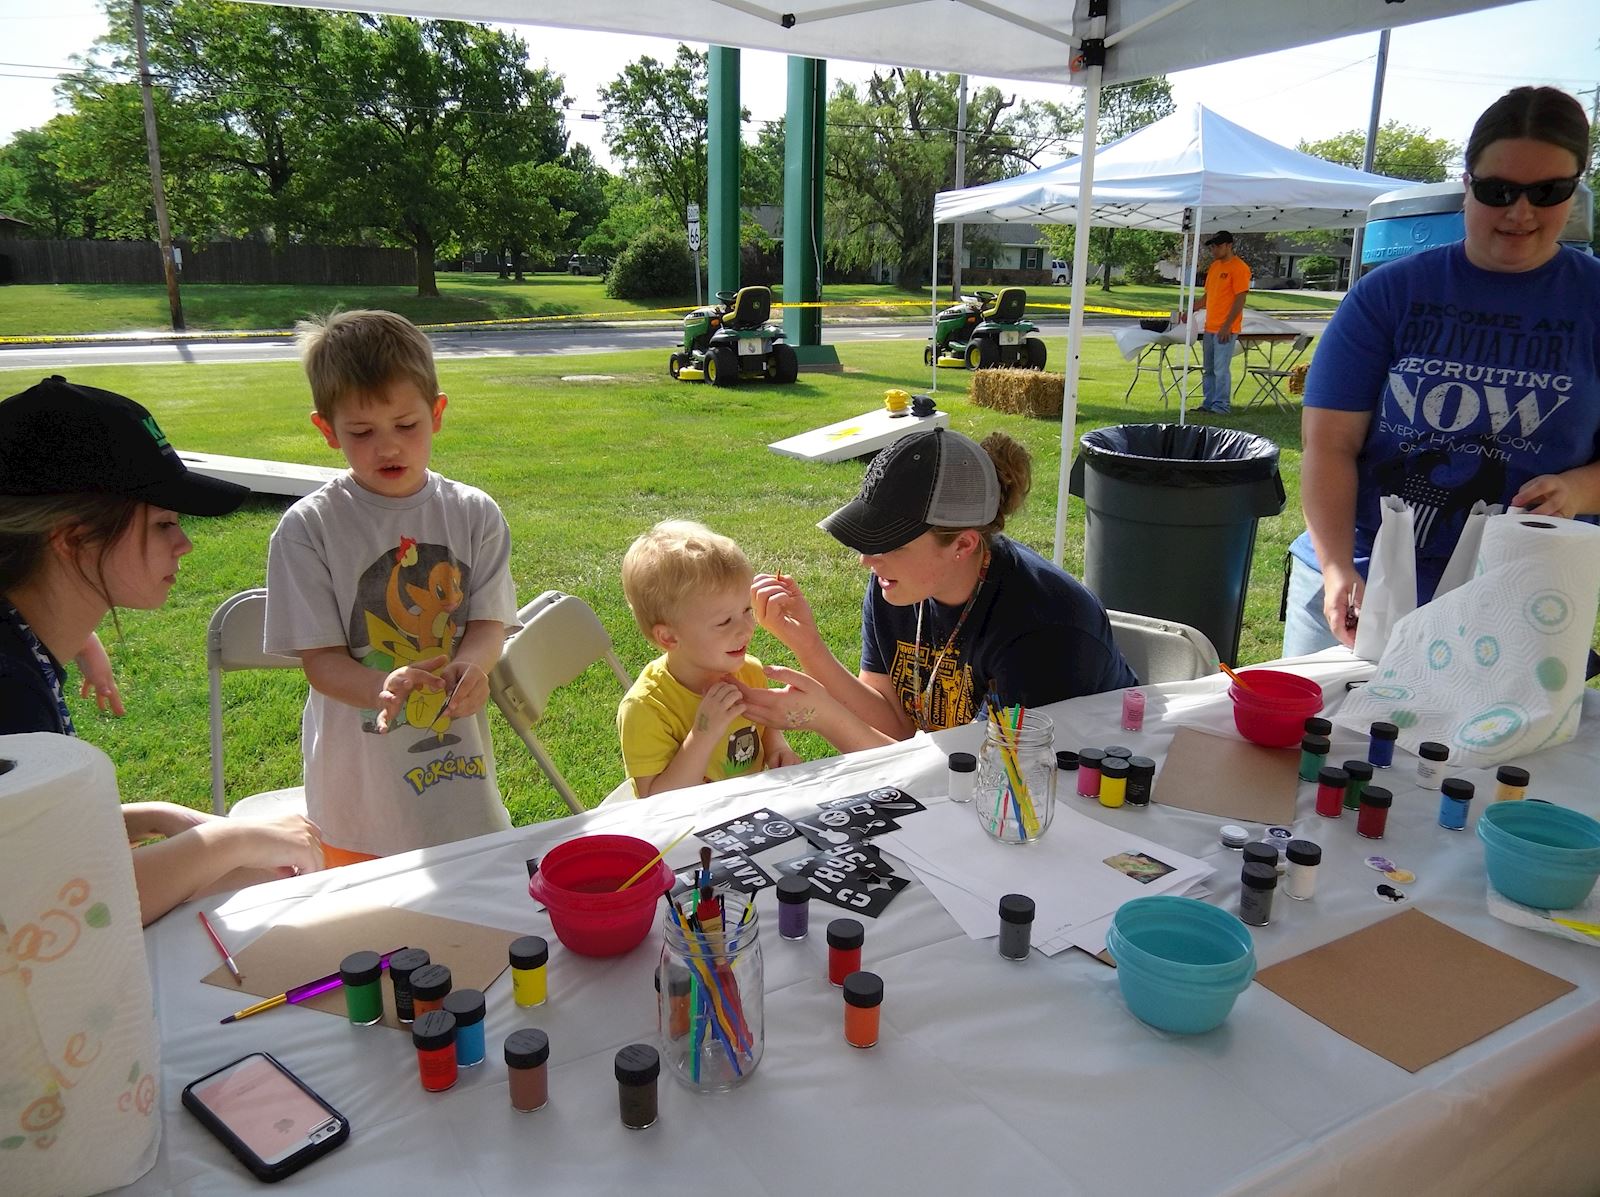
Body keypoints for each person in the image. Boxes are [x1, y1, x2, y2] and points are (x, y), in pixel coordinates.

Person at [1286, 86, 1600, 656]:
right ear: (1467, 184)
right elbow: (1328, 444)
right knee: (1319, 743)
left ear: (1575, 191)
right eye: (1498, 189)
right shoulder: (1390, 293)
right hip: (1364, 578)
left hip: (1519, 593)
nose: (1520, 211)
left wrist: (1578, 487)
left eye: (1548, 191)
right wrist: (1334, 567)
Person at [0, 375, 325, 924]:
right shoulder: (8, 689)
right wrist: (233, 842)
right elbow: (56, 904)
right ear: (74, 539)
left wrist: (152, 815)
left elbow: (30, 837)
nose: (185, 542)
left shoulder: (20, 649)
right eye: (163, 522)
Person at [265, 310, 517, 865]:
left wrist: (472, 667)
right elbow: (321, 662)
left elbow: (487, 626)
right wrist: (381, 688)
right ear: (327, 430)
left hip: (456, 776)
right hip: (359, 789)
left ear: (437, 413)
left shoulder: (475, 515)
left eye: (407, 426)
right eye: (361, 432)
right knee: (369, 928)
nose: (388, 448)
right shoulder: (309, 529)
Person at [738, 428, 1136, 751]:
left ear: (963, 545)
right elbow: (895, 726)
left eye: (891, 542)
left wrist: (823, 717)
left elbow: (981, 784)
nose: (867, 559)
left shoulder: (1044, 631)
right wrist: (808, 645)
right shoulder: (897, 583)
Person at [616, 520, 800, 797]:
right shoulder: (647, 708)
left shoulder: (750, 673)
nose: (746, 628)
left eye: (746, 610)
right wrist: (703, 734)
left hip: (749, 815)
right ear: (669, 638)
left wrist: (780, 751)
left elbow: (767, 733)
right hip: (687, 831)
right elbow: (656, 803)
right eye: (724, 621)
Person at [1192, 230, 1251, 415]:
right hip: (1209, 327)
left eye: (1217, 246)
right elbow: (1208, 295)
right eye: (1212, 247)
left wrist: (1227, 325)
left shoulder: (1239, 268)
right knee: (1208, 369)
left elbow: (1240, 299)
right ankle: (1208, 403)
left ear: (1228, 245)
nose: (1214, 250)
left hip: (1225, 328)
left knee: (1220, 369)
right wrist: (1192, 308)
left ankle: (1221, 405)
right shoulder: (1215, 267)